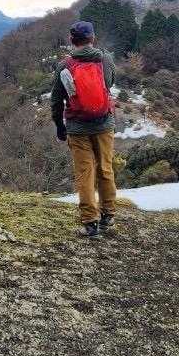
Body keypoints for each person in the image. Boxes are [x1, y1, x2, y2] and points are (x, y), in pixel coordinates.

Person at [51, 20, 117, 237]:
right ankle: (108, 215)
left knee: (84, 173)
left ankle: (90, 223)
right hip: (104, 124)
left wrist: (59, 126)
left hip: (77, 128)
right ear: (92, 38)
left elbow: (56, 100)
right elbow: (110, 83)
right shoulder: (105, 59)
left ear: (72, 40)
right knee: (105, 169)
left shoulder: (64, 66)